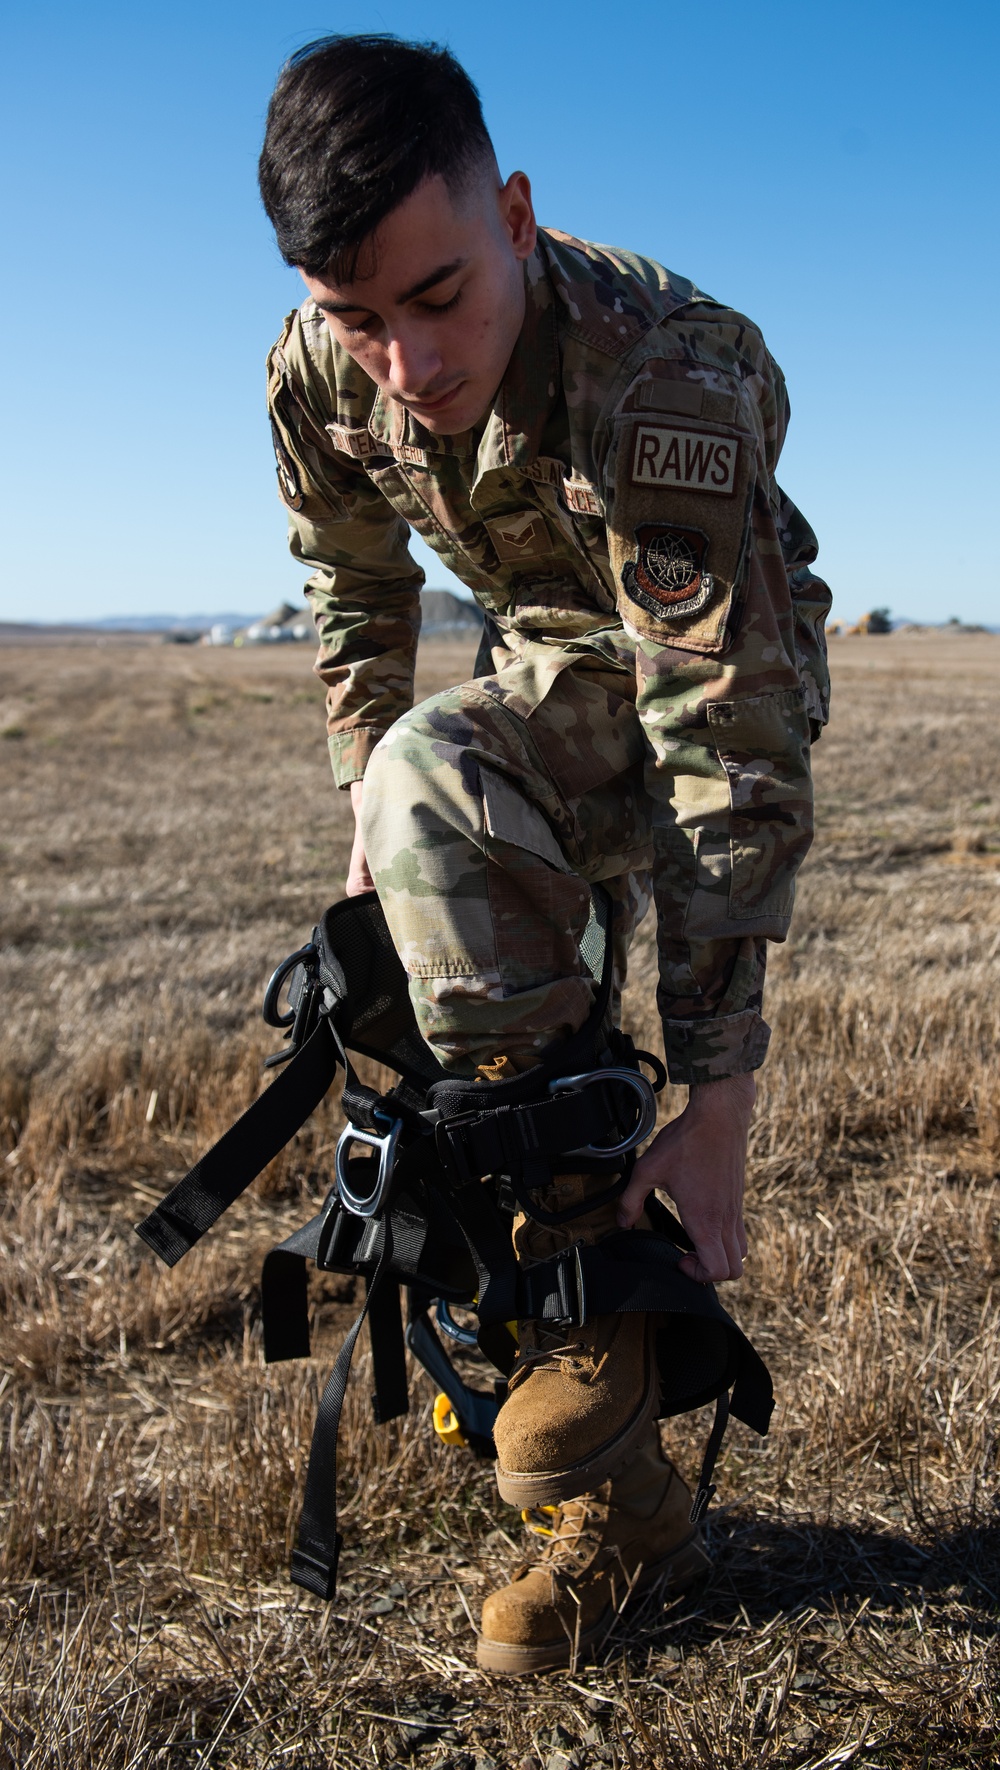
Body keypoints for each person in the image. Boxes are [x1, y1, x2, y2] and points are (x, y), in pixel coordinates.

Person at [258, 33, 830, 1675]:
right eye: (356, 316)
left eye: (439, 296)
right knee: (431, 906)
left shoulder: (666, 374)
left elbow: (723, 737)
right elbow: (352, 584)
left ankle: (593, 1327)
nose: (405, 363)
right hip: (543, 665)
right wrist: (376, 809)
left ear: (514, 211)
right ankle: (619, 1484)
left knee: (446, 779)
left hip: (724, 671)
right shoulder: (321, 363)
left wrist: (718, 1094)